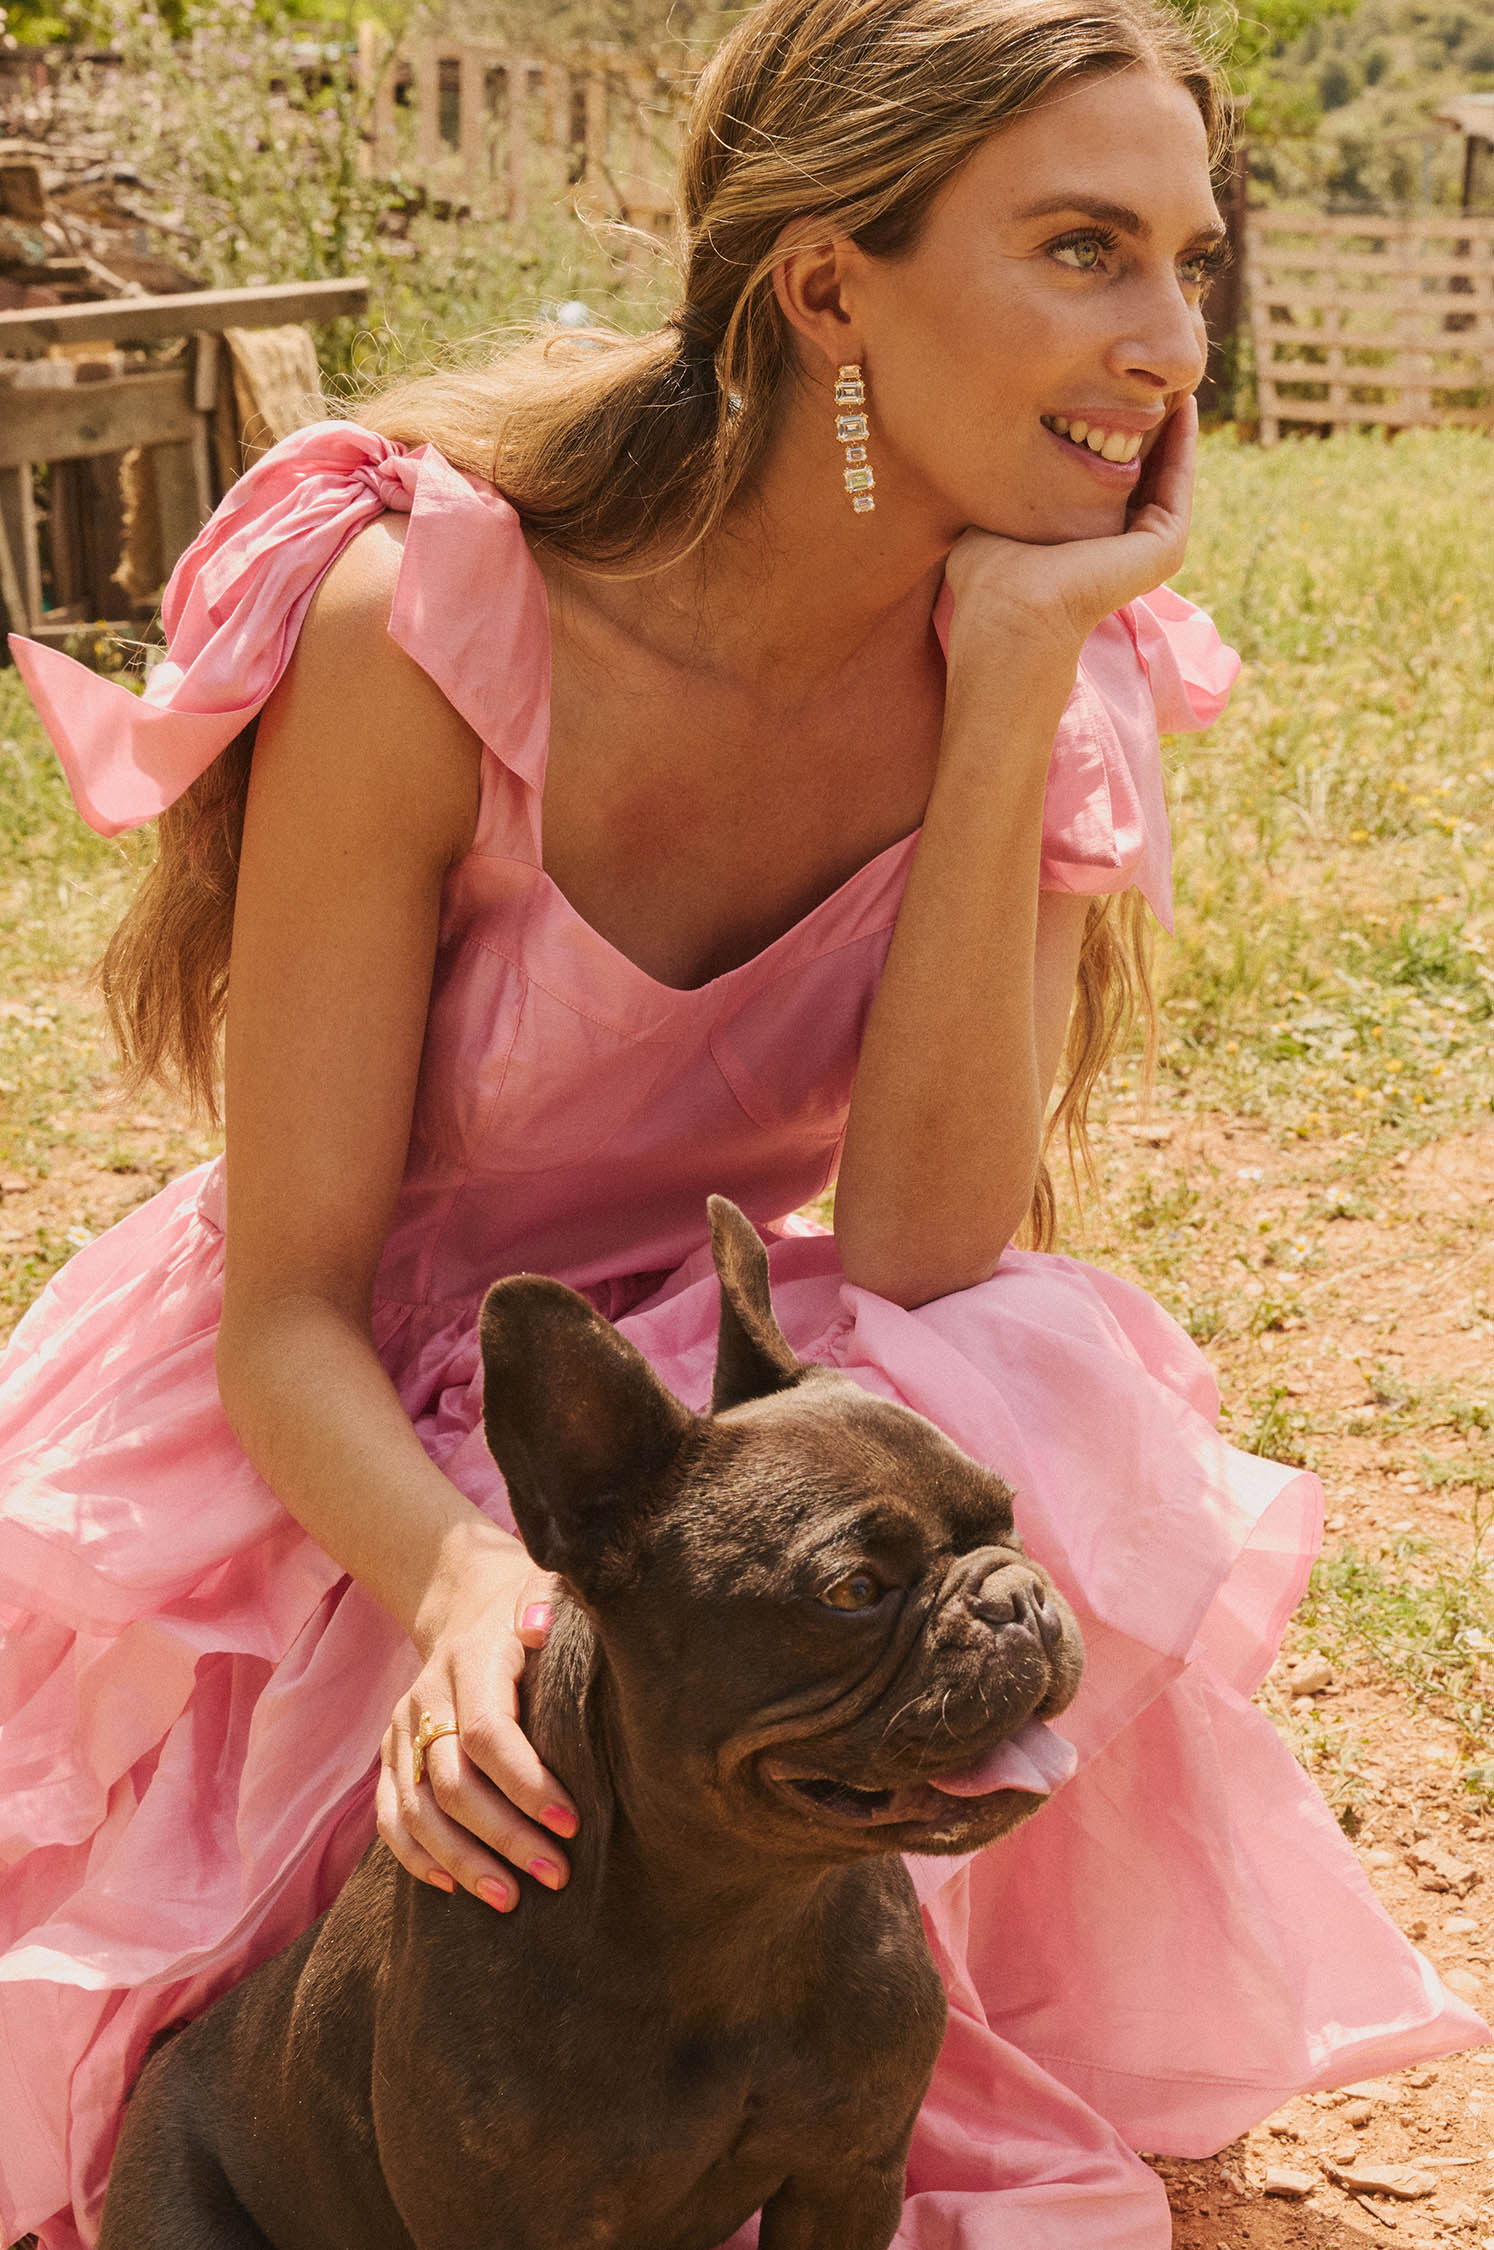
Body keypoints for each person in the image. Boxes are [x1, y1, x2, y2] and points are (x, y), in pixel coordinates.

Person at [1, 0, 1485, 2243]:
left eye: (1191, 261)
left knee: (1012, 1364)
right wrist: (469, 1588)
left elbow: (921, 1255)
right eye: (1083, 248)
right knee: (338, 2086)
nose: (1172, 345)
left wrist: (1012, 677)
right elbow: (286, 1304)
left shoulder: (1048, 658)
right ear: (823, 288)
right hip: (350, 1426)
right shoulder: (429, 623)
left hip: (730, 1406)